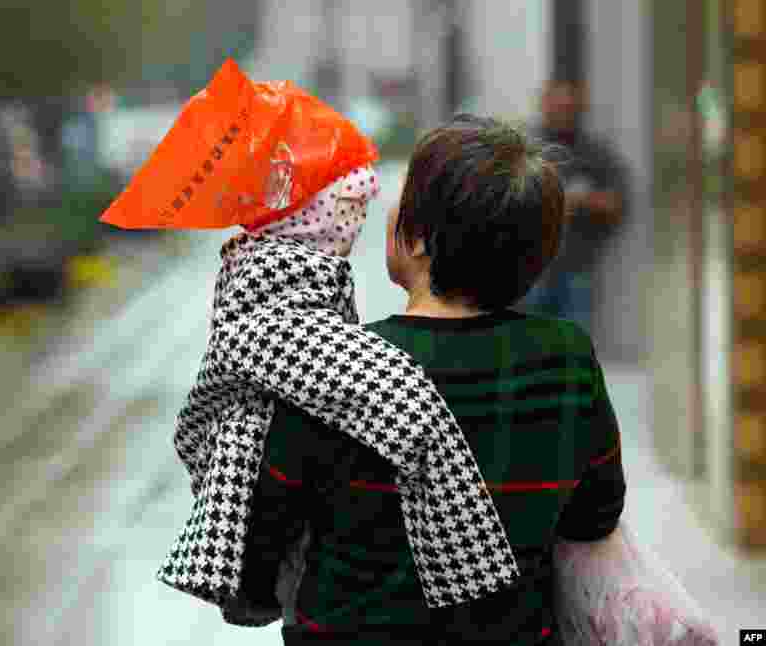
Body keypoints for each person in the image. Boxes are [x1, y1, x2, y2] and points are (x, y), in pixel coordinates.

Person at [238, 115, 627, 644]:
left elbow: (262, 532)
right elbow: (594, 515)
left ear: (420, 239)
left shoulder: (332, 366)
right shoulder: (566, 359)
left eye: (401, 199)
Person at [522, 78, 631, 333]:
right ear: (544, 105)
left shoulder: (596, 154)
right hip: (531, 271)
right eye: (557, 106)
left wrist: (582, 200)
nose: (563, 113)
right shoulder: (526, 151)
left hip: (578, 268)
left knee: (571, 349)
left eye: (569, 107)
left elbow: (616, 202)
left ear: (580, 109)